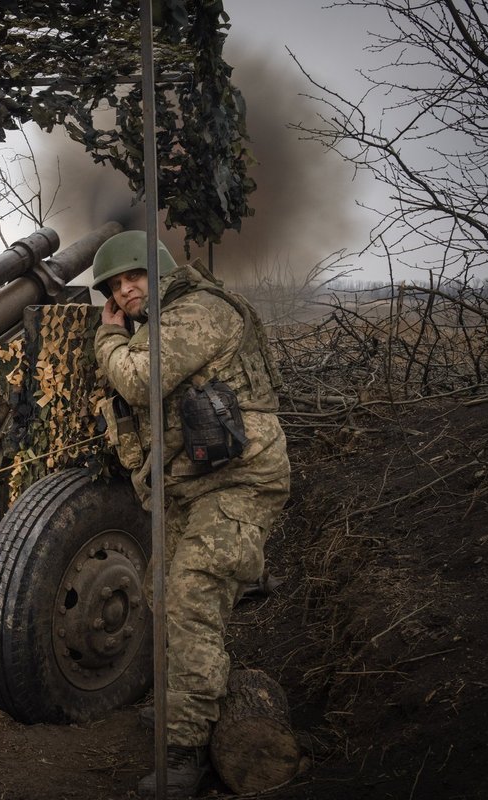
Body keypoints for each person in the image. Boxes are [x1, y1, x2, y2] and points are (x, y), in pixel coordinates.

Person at [92, 230, 290, 798]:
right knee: (161, 592)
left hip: (241, 481)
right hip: (195, 485)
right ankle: (187, 702)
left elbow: (138, 379)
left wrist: (107, 337)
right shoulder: (162, 321)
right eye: (115, 285)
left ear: (161, 273)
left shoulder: (197, 312)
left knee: (190, 598)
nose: (126, 290)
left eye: (135, 277)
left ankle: (184, 755)